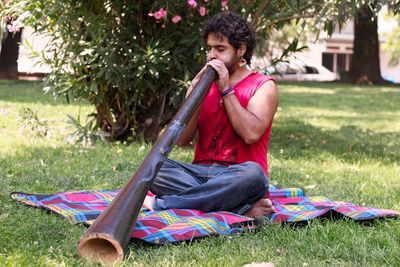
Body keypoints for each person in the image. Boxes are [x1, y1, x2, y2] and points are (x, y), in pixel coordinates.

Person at [143, 11, 278, 218]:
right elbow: (183, 140)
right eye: (210, 49)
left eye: (220, 49)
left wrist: (226, 90)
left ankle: (165, 204)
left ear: (241, 49)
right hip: (198, 176)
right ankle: (240, 208)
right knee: (152, 166)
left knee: (254, 174)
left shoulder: (263, 85)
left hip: (237, 178)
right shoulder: (203, 85)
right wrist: (194, 94)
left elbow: (251, 134)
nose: (212, 55)